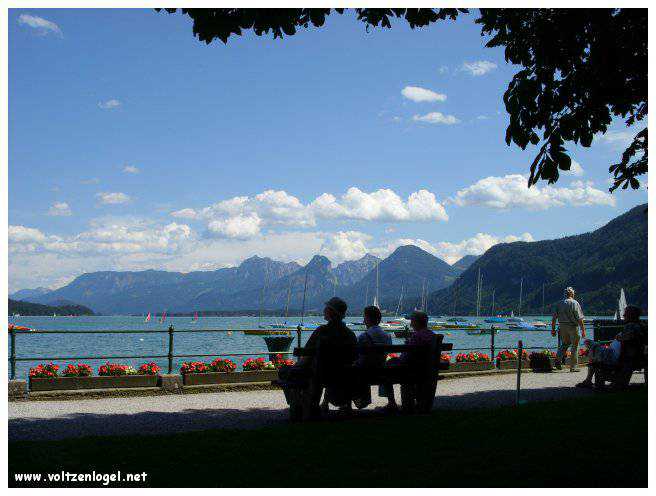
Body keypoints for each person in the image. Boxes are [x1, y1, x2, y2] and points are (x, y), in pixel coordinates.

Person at [280, 297, 356, 418]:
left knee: (285, 372)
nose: (324, 310)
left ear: (331, 312)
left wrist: (294, 368)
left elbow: (307, 357)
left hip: (320, 374)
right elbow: (353, 358)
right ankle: (304, 405)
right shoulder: (350, 334)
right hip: (342, 374)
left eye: (327, 307)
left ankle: (298, 406)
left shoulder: (322, 331)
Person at [577, 305, 646, 389]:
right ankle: (588, 381)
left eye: (626, 314)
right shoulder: (641, 326)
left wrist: (619, 337)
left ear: (631, 315)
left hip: (618, 357)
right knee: (594, 351)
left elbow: (629, 337)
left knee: (591, 345)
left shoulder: (631, 326)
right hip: (622, 355)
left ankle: (588, 381)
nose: (623, 315)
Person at [386, 311, 435, 412]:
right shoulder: (432, 335)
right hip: (427, 368)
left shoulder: (417, 336)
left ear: (416, 322)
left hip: (412, 369)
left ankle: (395, 403)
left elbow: (406, 357)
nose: (411, 323)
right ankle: (419, 404)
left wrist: (396, 360)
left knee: (387, 368)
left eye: (412, 321)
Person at [351, 305, 397, 411]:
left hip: (364, 372)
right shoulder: (387, 336)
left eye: (364, 318)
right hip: (381, 370)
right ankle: (392, 402)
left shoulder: (363, 337)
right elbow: (388, 352)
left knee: (350, 368)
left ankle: (347, 406)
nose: (363, 320)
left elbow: (354, 354)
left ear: (368, 319)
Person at [552, 287, 586, 371]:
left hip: (562, 327)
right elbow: (580, 318)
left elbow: (554, 318)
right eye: (573, 293)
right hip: (572, 326)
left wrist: (553, 330)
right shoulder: (575, 303)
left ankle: (557, 360)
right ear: (571, 294)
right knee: (575, 346)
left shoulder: (559, 303)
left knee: (565, 344)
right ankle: (573, 367)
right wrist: (583, 330)